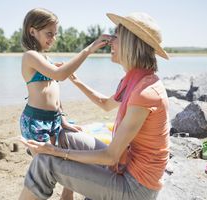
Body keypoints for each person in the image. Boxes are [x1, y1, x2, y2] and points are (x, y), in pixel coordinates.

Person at [19, 12, 170, 200]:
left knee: (45, 162)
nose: (110, 42)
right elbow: (105, 104)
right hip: (126, 164)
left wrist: (56, 152)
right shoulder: (136, 79)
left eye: (115, 37)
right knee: (66, 136)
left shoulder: (145, 92)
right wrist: (77, 81)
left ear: (130, 43)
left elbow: (110, 156)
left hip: (136, 187)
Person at [19, 8, 107, 200]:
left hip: (54, 120)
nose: (53, 38)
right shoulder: (30, 56)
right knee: (45, 168)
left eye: (55, 34)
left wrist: (63, 120)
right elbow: (60, 75)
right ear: (32, 31)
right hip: (36, 121)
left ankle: (67, 196)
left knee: (66, 163)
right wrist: (88, 49)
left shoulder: (46, 59)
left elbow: (54, 95)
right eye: (48, 33)